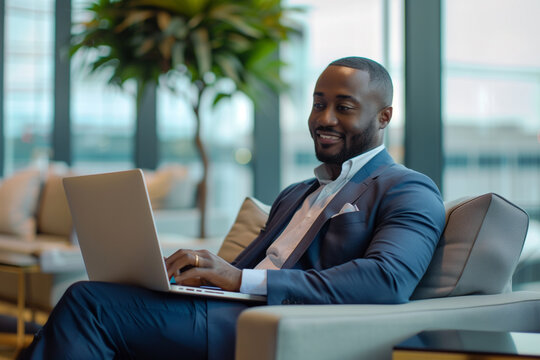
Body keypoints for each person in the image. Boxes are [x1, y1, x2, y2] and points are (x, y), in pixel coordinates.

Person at [20, 57, 446, 360]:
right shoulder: (297, 192)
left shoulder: (408, 189)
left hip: (266, 322)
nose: (325, 118)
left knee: (87, 303)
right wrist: (198, 275)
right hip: (221, 307)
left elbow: (387, 280)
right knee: (92, 304)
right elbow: (245, 268)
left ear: (384, 117)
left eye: (344, 107)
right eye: (319, 103)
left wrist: (240, 279)